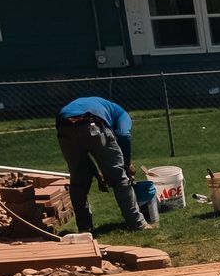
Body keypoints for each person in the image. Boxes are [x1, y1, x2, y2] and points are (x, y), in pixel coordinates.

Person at [53, 96, 149, 233]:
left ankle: (85, 229)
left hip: (65, 127)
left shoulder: (92, 104)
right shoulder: (122, 114)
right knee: (119, 179)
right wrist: (126, 164)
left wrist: (98, 175)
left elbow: (83, 159)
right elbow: (123, 135)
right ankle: (138, 225)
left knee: (78, 183)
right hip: (94, 124)